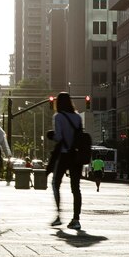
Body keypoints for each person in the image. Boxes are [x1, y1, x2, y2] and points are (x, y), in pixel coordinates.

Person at [48, 92, 84, 230]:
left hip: (64, 154)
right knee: (76, 188)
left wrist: (51, 135)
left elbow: (59, 137)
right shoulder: (77, 117)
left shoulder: (58, 117)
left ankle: (58, 215)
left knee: (56, 183)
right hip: (76, 156)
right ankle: (76, 219)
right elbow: (80, 135)